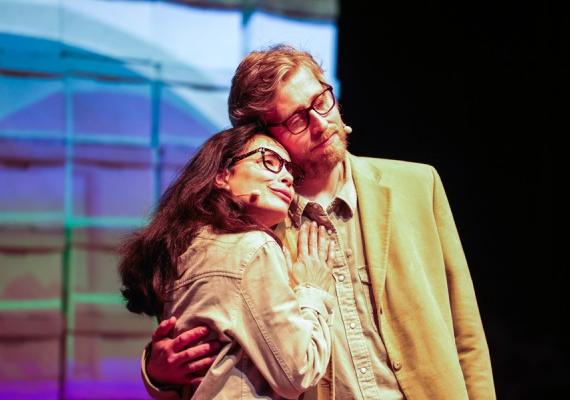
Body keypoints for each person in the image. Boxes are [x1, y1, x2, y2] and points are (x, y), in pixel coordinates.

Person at [142, 45, 496, 399]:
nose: (320, 122)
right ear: (263, 135)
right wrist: (156, 375)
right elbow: (207, 349)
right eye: (297, 118)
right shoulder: (247, 233)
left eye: (321, 100)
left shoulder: (417, 186)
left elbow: (467, 336)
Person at [119, 125, 337, 398]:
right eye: (269, 161)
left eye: (290, 171)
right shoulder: (252, 248)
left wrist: (154, 375)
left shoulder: (183, 249)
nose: (286, 178)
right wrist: (313, 290)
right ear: (222, 175)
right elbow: (298, 372)